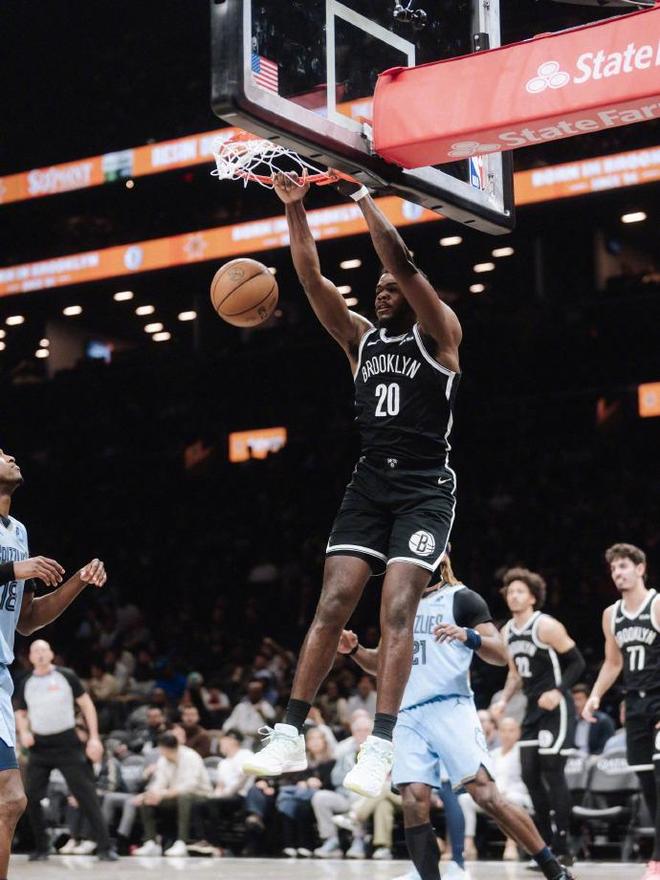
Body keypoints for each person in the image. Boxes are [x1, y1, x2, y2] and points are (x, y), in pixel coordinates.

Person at [245, 172, 463, 800]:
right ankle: (290, 731)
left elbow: (400, 260)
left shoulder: (440, 335)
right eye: (376, 289)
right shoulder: (360, 341)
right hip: (369, 483)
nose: (381, 291)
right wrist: (296, 208)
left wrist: (363, 196)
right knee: (333, 601)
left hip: (425, 488)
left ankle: (381, 745)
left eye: (391, 287)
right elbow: (311, 279)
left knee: (396, 609)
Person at [339, 555, 573, 880]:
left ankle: (554, 870)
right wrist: (355, 651)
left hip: (450, 705)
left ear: (440, 555)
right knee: (413, 799)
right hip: (407, 712)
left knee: (485, 794)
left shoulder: (462, 598)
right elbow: (383, 664)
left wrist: (469, 636)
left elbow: (501, 654)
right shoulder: (398, 603)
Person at [0, 447, 109, 873]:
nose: (10, 456)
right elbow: (15, 573)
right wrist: (14, 571)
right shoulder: (17, 559)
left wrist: (77, 582)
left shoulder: (18, 532)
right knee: (10, 798)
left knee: (10, 801)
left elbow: (27, 621)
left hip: (2, 675)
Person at [492, 567, 585, 865]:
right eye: (510, 591)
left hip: (556, 708)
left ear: (532, 597)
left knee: (552, 771)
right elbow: (515, 674)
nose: (514, 596)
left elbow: (577, 663)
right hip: (532, 709)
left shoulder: (546, 626)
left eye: (520, 591)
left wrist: (558, 691)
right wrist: (503, 700)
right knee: (529, 774)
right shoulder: (507, 631)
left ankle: (564, 847)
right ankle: (544, 845)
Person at [581, 543, 660, 880]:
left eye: (624, 566)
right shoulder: (611, 615)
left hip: (658, 699)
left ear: (641, 569)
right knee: (647, 783)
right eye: (614, 568)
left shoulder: (657, 604)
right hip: (636, 705)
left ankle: (656, 858)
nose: (618, 573)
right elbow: (613, 663)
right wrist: (595, 696)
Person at [15, 640, 117, 861]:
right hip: (40, 746)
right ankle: (42, 848)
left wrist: (94, 738)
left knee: (86, 794)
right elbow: (21, 712)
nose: (40, 654)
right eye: (35, 651)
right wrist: (24, 732)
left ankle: (105, 847)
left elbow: (87, 705)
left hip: (67, 743)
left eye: (44, 650)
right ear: (30, 657)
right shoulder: (26, 682)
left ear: (51, 654)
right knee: (31, 796)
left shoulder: (66, 676)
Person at [459, 717, 532, 862]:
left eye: (511, 731)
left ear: (518, 733)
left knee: (512, 799)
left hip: (517, 794)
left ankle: (511, 844)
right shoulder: (493, 753)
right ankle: (468, 844)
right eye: (503, 731)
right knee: (465, 799)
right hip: (494, 794)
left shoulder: (523, 752)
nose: (507, 734)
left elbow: (530, 780)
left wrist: (505, 792)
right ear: (499, 733)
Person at [133, 731, 212, 857]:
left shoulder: (191, 757)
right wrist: (149, 795)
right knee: (146, 800)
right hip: (174, 795)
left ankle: (182, 842)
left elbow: (189, 786)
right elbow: (159, 783)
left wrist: (163, 794)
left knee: (184, 797)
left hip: (200, 795)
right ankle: (151, 842)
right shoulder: (163, 760)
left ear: (164, 748)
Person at [222, 679, 275, 748]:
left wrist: (261, 713)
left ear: (261, 692)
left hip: (258, 740)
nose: (254, 693)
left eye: (256, 691)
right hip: (240, 737)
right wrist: (227, 730)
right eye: (252, 691)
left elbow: (272, 725)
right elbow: (231, 721)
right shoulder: (241, 706)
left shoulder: (266, 706)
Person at [571, 683, 615, 756]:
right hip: (574, 759)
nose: (576, 704)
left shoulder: (603, 721)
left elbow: (607, 747)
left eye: (579, 699)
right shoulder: (571, 722)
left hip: (596, 759)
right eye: (574, 700)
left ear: (588, 701)